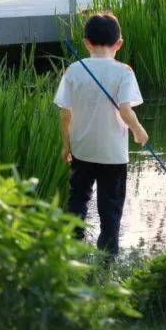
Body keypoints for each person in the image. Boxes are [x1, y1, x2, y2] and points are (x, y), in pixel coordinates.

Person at [54, 13, 148, 255]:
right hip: (113, 155)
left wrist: (67, 145)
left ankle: (72, 249)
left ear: (86, 42)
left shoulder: (74, 69)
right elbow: (126, 110)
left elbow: (65, 113)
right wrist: (138, 131)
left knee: (78, 199)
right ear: (119, 44)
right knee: (110, 208)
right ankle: (108, 258)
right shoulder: (124, 72)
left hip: (82, 150)